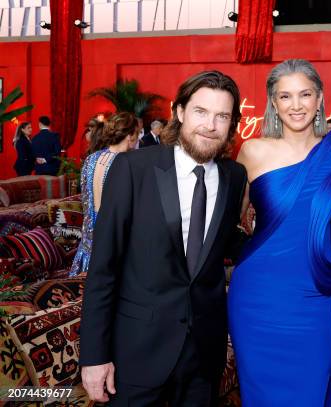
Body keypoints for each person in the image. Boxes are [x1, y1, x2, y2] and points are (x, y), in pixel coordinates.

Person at [79, 70, 247, 406]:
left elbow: (223, 245)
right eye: (201, 112)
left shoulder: (234, 177)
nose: (210, 125)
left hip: (204, 354)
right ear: (180, 111)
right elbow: (103, 268)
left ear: (232, 124)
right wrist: (94, 357)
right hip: (138, 352)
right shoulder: (132, 169)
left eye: (222, 116)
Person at [228, 59, 331, 406]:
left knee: (311, 392)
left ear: (319, 98)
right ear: (273, 102)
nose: (296, 105)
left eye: (305, 94)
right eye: (285, 96)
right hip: (257, 295)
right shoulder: (252, 151)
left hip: (314, 291)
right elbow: (231, 224)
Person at [69, 113, 138, 277]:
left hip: (89, 242)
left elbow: (85, 197)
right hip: (112, 245)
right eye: (137, 133)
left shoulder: (91, 159)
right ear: (129, 136)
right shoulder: (128, 163)